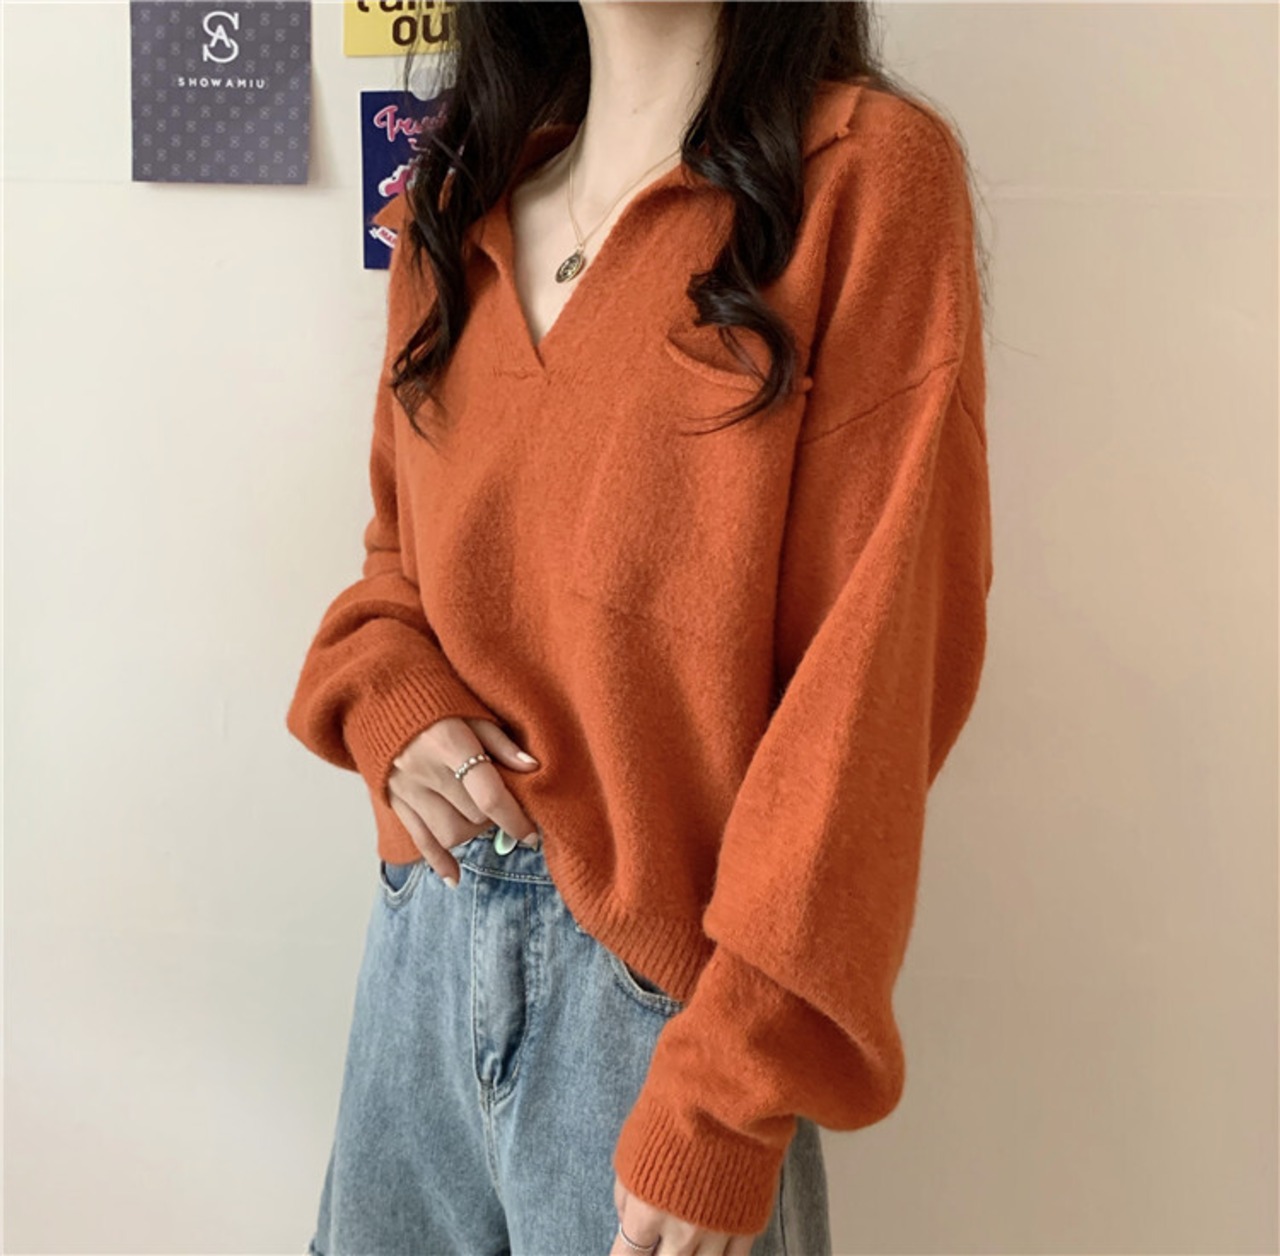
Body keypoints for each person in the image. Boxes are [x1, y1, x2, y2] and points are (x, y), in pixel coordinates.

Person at [286, 2, 994, 1253]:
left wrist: (728, 1087)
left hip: (657, 1008)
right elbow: (396, 564)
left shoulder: (862, 178)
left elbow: (874, 670)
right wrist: (389, 703)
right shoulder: (454, 199)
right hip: (416, 953)